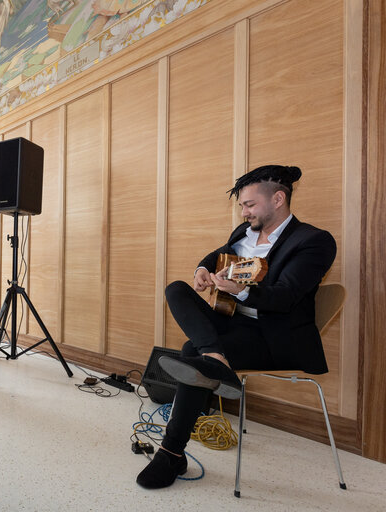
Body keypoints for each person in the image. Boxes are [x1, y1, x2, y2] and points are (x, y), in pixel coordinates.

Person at [136, 165, 337, 489]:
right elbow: (218, 254)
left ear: (278, 199)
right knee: (176, 289)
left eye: (249, 205)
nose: (244, 212)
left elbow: (286, 297)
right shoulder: (243, 234)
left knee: (191, 353)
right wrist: (204, 268)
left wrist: (241, 291)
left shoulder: (313, 241)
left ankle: (171, 454)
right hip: (235, 323)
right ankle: (216, 358)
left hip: (275, 338)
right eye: (241, 205)